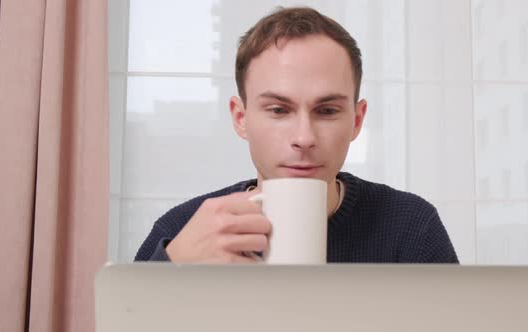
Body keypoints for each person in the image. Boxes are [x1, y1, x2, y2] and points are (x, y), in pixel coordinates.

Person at [135, 6, 459, 264]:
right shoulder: (184, 230)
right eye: (278, 110)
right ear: (240, 118)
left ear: (357, 120)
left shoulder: (410, 226)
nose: (304, 138)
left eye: (327, 111)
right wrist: (172, 265)